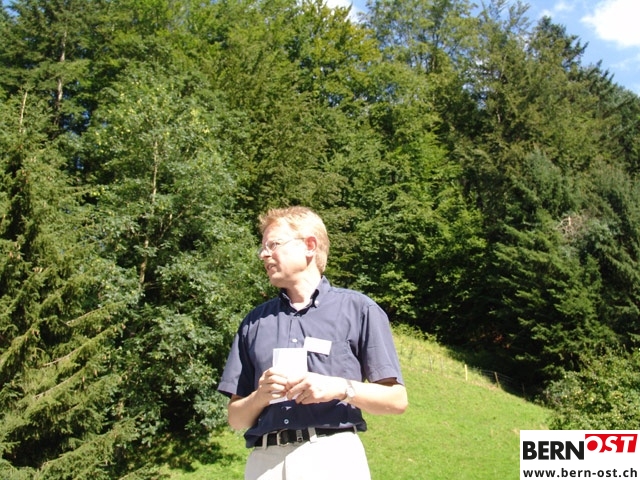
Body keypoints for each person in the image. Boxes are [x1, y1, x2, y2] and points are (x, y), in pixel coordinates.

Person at [217, 206, 408, 480]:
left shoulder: (360, 310)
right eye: (263, 247)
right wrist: (260, 396)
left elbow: (397, 400)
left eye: (273, 244)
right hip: (264, 464)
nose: (263, 254)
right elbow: (236, 419)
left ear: (309, 246)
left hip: (332, 458)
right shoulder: (254, 322)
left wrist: (339, 388)